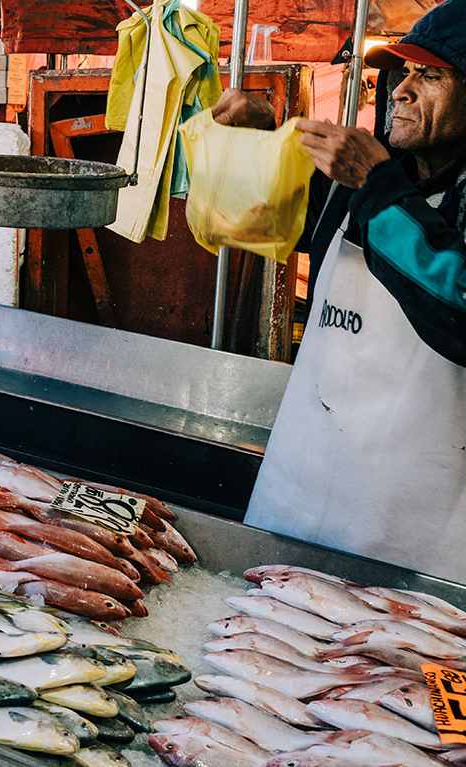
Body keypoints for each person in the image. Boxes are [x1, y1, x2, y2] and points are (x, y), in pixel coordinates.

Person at [222, 0, 466, 582]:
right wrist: (263, 140)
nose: (403, 91)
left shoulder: (388, 186)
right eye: (403, 72)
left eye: (431, 76)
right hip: (306, 490)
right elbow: (281, 225)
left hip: (415, 538)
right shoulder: (378, 183)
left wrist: (377, 185)